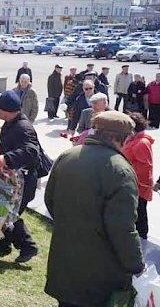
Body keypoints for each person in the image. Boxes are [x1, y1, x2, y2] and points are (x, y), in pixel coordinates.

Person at [44, 111, 145, 307]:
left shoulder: (67, 156)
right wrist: (136, 264)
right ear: (122, 138)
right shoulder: (120, 170)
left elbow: (50, 201)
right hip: (99, 274)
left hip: (65, 262)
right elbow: (123, 228)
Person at [0, 90, 40, 263]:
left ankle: (28, 246)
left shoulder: (23, 127)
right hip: (11, 178)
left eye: (0, 110)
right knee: (2, 209)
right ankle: (3, 245)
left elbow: (31, 151)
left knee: (10, 213)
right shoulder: (11, 123)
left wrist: (6, 158)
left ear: (9, 110)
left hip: (23, 180)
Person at [123, 112, 154, 240]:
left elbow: (145, 167)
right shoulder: (134, 140)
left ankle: (142, 240)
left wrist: (130, 179)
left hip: (138, 187)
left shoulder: (141, 143)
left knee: (139, 216)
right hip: (132, 185)